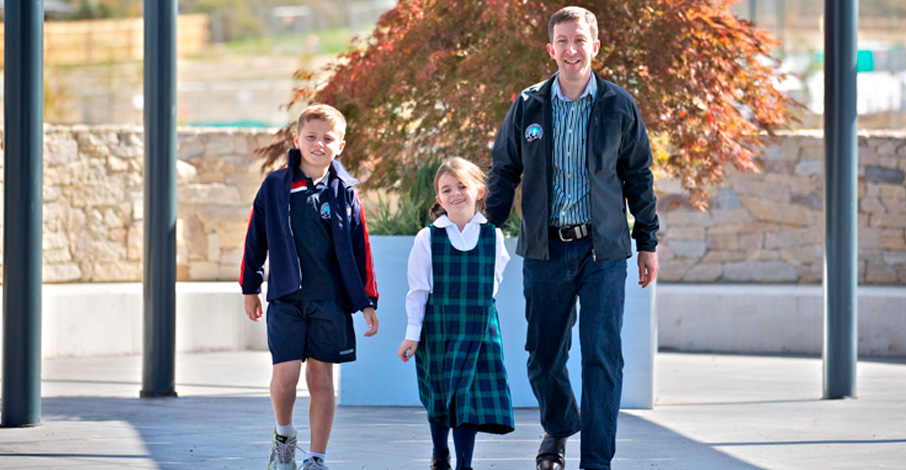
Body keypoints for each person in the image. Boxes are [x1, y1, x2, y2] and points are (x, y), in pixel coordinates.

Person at [485, 6, 659, 470]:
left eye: (579, 40)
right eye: (562, 41)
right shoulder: (528, 105)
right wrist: (488, 231)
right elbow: (504, 170)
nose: (571, 50)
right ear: (550, 49)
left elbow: (638, 176)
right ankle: (560, 426)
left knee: (602, 357)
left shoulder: (618, 104)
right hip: (544, 249)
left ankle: (596, 461)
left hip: (602, 250)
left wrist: (648, 242)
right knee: (543, 356)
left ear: (594, 46)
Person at [240, 103, 380, 470]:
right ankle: (284, 437)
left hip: (330, 302)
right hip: (286, 299)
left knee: (321, 380)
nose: (319, 144)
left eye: (328, 138)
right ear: (296, 139)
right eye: (312, 137)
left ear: (341, 146)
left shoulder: (346, 192)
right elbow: (255, 238)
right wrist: (250, 286)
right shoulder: (275, 186)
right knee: (285, 377)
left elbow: (359, 245)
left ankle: (316, 458)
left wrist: (367, 301)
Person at [398, 157, 515, 470]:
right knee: (438, 394)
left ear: (479, 190)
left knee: (468, 397)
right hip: (438, 329)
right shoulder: (428, 238)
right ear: (439, 199)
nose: (455, 194)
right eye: (446, 189)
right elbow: (418, 290)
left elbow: (494, 283)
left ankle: (465, 464)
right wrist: (412, 335)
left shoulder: (494, 236)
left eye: (462, 186)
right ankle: (440, 453)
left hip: (478, 326)